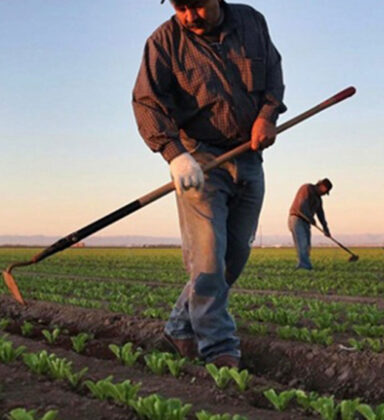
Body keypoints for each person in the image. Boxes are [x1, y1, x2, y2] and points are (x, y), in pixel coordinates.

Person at [133, 0, 285, 367]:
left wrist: (267, 115)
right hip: (199, 159)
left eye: (197, 5)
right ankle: (218, 347)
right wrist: (174, 154)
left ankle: (178, 328)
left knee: (234, 257)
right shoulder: (164, 42)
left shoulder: (251, 22)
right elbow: (146, 102)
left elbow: (273, 76)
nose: (189, 16)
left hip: (247, 155)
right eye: (180, 6)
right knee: (208, 258)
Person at [288, 179, 332, 270]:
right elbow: (302, 205)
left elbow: (321, 214)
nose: (325, 194)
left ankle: (303, 265)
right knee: (302, 243)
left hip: (306, 222)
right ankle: (305, 266)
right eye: (325, 191)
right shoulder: (307, 188)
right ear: (321, 186)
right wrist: (311, 218)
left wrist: (325, 228)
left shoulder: (318, 200)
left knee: (307, 245)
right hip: (297, 219)